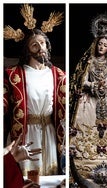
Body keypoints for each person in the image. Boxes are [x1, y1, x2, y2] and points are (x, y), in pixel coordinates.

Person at [69, 12, 107, 185]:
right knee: (85, 127)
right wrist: (92, 86)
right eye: (100, 44)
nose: (102, 47)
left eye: (105, 44)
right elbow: (81, 80)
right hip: (89, 100)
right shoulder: (88, 61)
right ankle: (84, 164)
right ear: (96, 44)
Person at [4, 4, 65, 176]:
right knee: (28, 177)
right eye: (34, 45)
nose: (41, 48)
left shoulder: (58, 75)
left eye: (43, 43)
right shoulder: (14, 74)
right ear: (27, 50)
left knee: (50, 176)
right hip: (25, 131)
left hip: (49, 131)